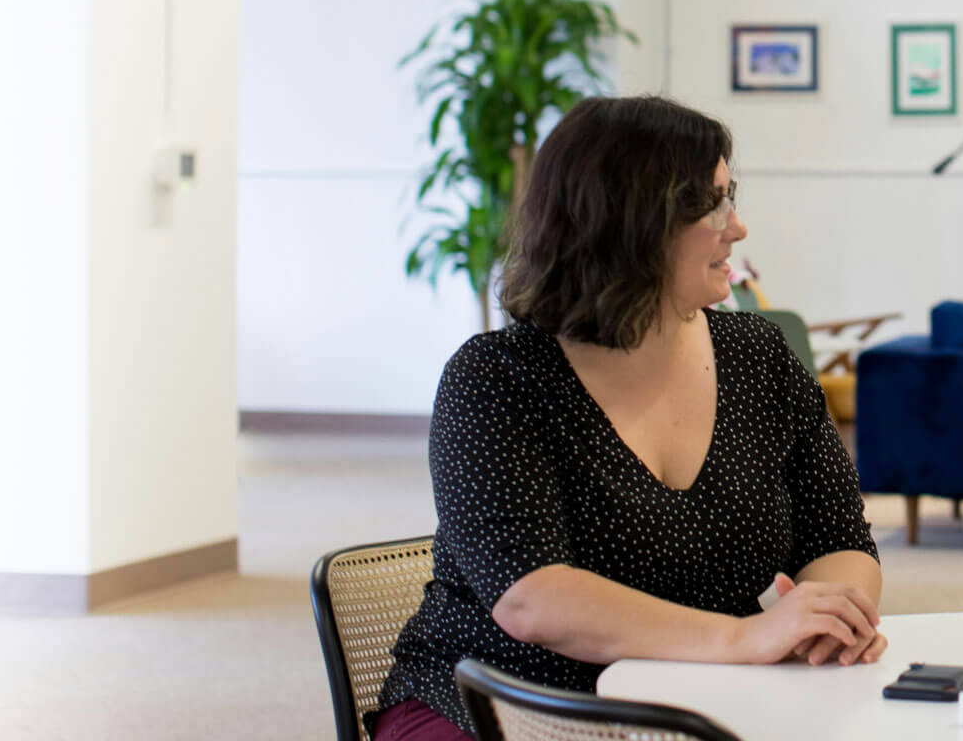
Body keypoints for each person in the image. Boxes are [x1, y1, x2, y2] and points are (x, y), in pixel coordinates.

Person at [370, 97, 885, 741]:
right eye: (712, 204)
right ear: (631, 224)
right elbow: (532, 598)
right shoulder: (497, 377)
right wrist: (745, 637)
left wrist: (828, 617)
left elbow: (841, 538)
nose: (738, 227)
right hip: (505, 703)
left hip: (710, 699)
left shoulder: (760, 356)